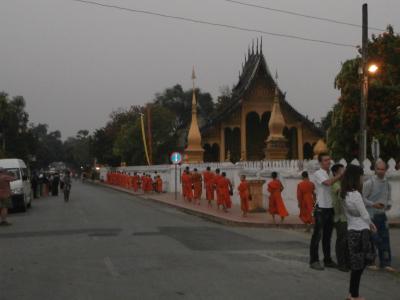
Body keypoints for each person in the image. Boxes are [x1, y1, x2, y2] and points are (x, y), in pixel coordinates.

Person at [341, 164, 377, 300]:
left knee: (357, 264)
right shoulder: (355, 194)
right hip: (362, 232)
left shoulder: (344, 193)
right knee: (361, 264)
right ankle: (354, 295)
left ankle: (352, 294)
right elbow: (364, 214)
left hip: (352, 230)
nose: (362, 179)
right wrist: (372, 225)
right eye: (361, 176)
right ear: (356, 177)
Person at [309, 152, 343, 271]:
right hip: (320, 208)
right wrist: (340, 175)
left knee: (327, 236)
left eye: (329, 160)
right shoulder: (318, 173)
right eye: (325, 160)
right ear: (320, 162)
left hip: (330, 207)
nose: (328, 162)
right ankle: (313, 260)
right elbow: (328, 183)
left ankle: (327, 260)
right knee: (317, 236)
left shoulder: (330, 173)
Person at [363, 159, 396, 272]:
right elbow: (362, 199)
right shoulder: (369, 183)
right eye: (379, 169)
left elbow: (389, 198)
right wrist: (373, 204)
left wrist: (388, 205)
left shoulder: (387, 184)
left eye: (383, 169)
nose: (381, 171)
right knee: (373, 239)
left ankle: (386, 262)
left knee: (385, 239)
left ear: (386, 170)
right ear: (375, 169)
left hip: (382, 215)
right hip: (371, 216)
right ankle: (371, 261)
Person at [331, 163, 349, 272]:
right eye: (341, 171)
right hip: (339, 217)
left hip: (347, 217)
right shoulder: (335, 183)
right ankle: (341, 263)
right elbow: (340, 192)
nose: (344, 173)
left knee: (347, 241)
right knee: (342, 240)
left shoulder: (343, 183)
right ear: (335, 173)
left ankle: (347, 262)